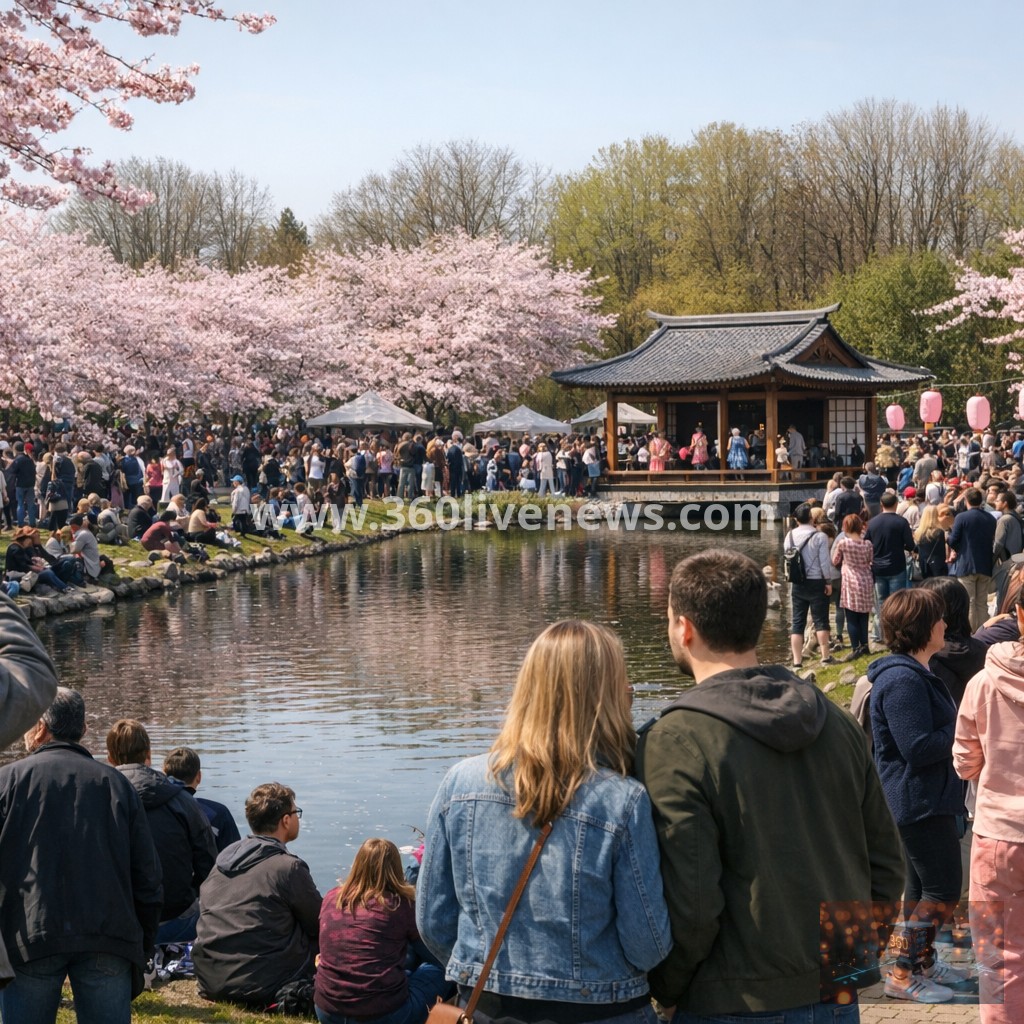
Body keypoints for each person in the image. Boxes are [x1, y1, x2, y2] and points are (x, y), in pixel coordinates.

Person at [634, 549, 904, 1021]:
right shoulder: (836, 723)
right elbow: (884, 864)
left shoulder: (675, 740)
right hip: (833, 990)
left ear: (685, 627)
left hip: (731, 998)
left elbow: (692, 902)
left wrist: (667, 989)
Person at [418, 620, 672, 1023]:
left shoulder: (460, 785)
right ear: (605, 698)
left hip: (487, 1007)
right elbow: (647, 945)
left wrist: (492, 967)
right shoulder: (622, 800)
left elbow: (434, 922)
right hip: (603, 1009)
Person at [0, 688, 163, 1024]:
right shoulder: (116, 785)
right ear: (84, 729)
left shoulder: (8, 781)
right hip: (109, 934)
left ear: (42, 727)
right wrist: (143, 943)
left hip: (29, 934)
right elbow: (147, 876)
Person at [867, 588, 969, 1002]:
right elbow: (918, 746)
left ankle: (917, 960)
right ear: (921, 628)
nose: (945, 624)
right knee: (943, 890)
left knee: (919, 889)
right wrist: (962, 727)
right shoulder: (902, 679)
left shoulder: (914, 672)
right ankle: (903, 973)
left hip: (922, 798)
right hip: (919, 801)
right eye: (938, 619)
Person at [954, 603, 1024, 1024]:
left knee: (1000, 960)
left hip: (999, 833)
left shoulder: (982, 682)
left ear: (1018, 613)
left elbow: (965, 763)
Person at [193, 782, 322, 1008]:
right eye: (296, 812)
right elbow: (319, 922)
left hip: (211, 978)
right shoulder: (287, 868)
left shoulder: (224, 860)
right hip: (260, 984)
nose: (297, 818)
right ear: (286, 820)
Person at [315, 838, 451, 1024]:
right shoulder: (400, 906)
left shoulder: (332, 897)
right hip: (383, 1016)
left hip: (327, 1010)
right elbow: (434, 955)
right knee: (443, 968)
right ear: (395, 868)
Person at [106, 719, 216, 944]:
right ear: (148, 754)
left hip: (116, 923)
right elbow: (208, 863)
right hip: (177, 919)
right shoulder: (183, 801)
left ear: (109, 758)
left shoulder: (98, 799)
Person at [163, 747, 242, 854]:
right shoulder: (218, 813)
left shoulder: (152, 808)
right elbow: (235, 857)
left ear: (164, 773)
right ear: (199, 776)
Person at [784, 503, 834, 668]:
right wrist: (828, 582)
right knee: (821, 620)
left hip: (797, 583)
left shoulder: (789, 536)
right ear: (812, 519)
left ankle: (797, 661)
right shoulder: (820, 537)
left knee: (797, 621)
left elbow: (787, 559)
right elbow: (824, 562)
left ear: (796, 520)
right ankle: (825, 657)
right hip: (816, 581)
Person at [948, 486, 997, 632]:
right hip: (985, 563)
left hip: (966, 564)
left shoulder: (961, 517)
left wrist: (956, 548)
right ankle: (983, 632)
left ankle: (970, 633)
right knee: (982, 602)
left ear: (966, 500)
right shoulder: (990, 518)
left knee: (969, 601)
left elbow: (952, 540)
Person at [832, 513, 875, 659]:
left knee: (851, 616)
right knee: (864, 615)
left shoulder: (843, 543)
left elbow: (835, 560)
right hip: (866, 580)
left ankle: (855, 647)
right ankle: (865, 645)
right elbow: (871, 560)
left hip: (850, 580)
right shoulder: (867, 544)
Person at [915, 504, 952, 579]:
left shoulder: (918, 532)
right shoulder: (939, 532)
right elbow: (942, 551)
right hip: (938, 565)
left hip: (924, 565)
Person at [68, 512, 102, 581]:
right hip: (92, 563)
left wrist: (68, 540)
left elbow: (74, 550)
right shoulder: (85, 532)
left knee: (68, 561)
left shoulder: (83, 534)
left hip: (90, 567)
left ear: (74, 526)